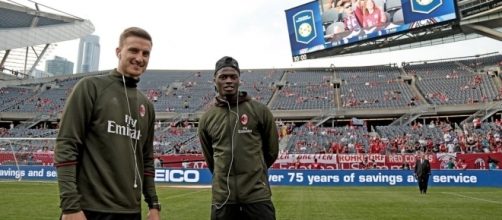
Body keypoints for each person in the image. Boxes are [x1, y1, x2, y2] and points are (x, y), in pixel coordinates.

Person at [55, 27, 161, 220]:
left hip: (131, 211)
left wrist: (153, 204)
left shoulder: (147, 105)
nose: (140, 58)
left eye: (146, 53)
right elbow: (67, 144)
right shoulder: (90, 87)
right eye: (133, 50)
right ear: (118, 52)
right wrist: (70, 206)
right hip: (90, 210)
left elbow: (146, 159)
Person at [198, 56, 279, 220]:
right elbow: (211, 159)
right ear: (215, 80)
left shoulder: (259, 111)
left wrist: (254, 171)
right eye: (223, 77)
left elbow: (271, 152)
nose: (228, 81)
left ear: (239, 80)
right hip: (223, 199)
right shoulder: (207, 118)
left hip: (256, 196)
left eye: (233, 77)